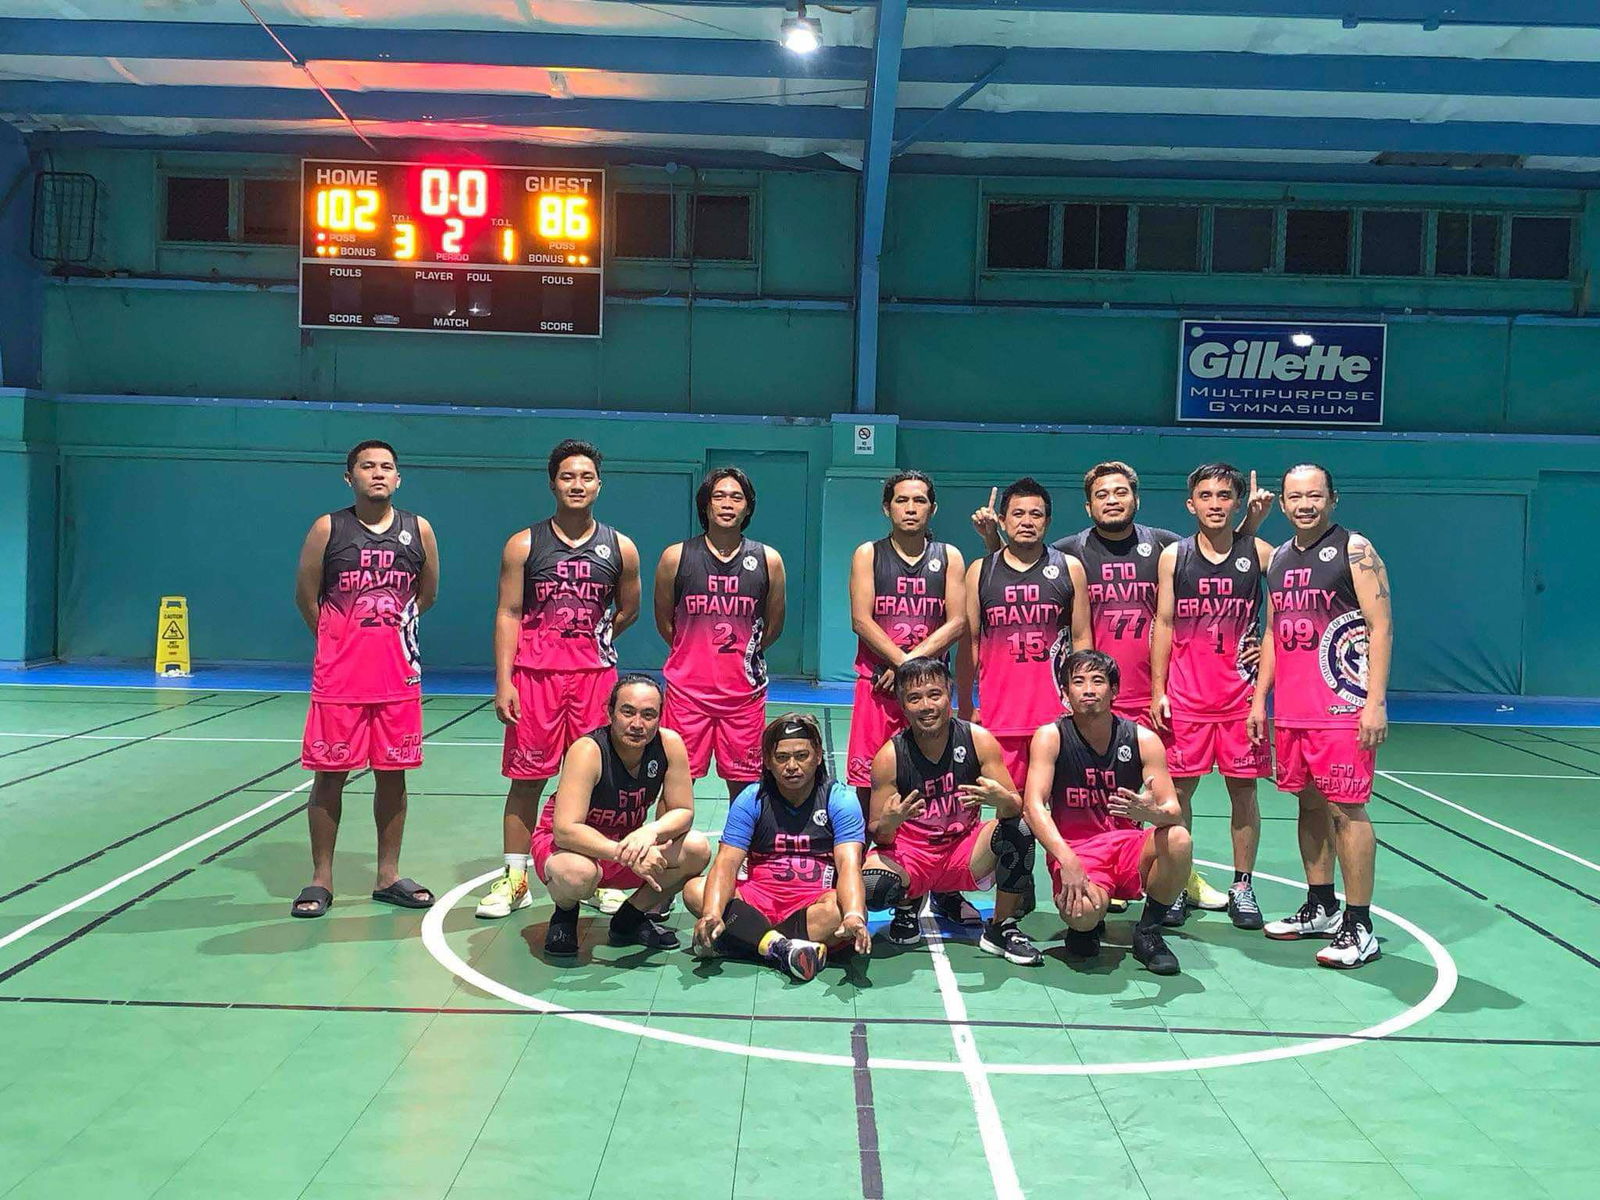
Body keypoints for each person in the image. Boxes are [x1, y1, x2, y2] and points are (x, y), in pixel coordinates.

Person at [976, 461, 1272, 912]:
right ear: (1088, 504)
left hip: (1157, 694)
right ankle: (1105, 874)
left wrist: (1251, 525)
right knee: (1096, 795)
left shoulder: (1167, 547)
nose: (1112, 500)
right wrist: (990, 539)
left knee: (1160, 798)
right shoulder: (1070, 552)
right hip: (1095, 699)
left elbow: (1231, 557)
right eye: (1102, 494)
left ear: (1136, 497)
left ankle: (1176, 879)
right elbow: (1019, 566)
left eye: (1121, 492)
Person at [478, 439, 642, 919]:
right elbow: (508, 612)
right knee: (527, 780)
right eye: (568, 476)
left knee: (597, 782)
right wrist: (504, 680)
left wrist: (599, 635)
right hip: (535, 678)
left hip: (594, 679)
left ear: (599, 484)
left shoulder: (621, 547)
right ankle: (515, 879)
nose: (577, 484)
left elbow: (628, 607)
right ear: (553, 483)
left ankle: (599, 876)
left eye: (586, 476)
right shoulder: (524, 544)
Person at [1249, 464, 1392, 968]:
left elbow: (1381, 627)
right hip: (1292, 708)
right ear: (1283, 504)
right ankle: (1322, 904)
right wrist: (1259, 699)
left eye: (1314, 495)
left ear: (1333, 498)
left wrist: (1374, 701)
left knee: (1345, 810)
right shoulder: (1280, 558)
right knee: (1309, 806)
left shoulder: (1355, 549)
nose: (1304, 504)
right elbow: (1272, 630)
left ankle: (1360, 925)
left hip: (1341, 707)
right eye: (1295, 496)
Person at [292, 440, 439, 918]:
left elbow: (427, 595)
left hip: (398, 676)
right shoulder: (328, 528)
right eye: (367, 466)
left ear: (399, 478)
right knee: (329, 776)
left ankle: (388, 876)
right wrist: (340, 639)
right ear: (349, 476)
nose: (378, 473)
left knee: (393, 776)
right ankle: (320, 879)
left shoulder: (418, 530)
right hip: (340, 679)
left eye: (387, 467)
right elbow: (306, 596)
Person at [1148, 463, 1274, 930]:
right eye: (1206, 495)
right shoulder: (1173, 557)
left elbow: (1281, 620)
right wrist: (1158, 689)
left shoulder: (1261, 552)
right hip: (1186, 697)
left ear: (1237, 503)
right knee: (1177, 796)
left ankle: (1243, 885)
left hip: (1241, 698)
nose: (1215, 503)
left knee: (1244, 792)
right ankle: (1177, 882)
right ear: (1191, 503)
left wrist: (1263, 685)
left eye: (1225, 495)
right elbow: (1162, 624)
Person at [863, 657, 1041, 965]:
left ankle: (1001, 927)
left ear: (950, 694)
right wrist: (890, 822)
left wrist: (1002, 799)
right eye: (914, 698)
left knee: (1019, 830)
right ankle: (908, 903)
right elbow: (880, 833)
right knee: (872, 885)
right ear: (903, 706)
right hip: (913, 854)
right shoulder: (890, 756)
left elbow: (1013, 807)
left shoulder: (977, 740)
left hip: (964, 850)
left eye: (934, 694)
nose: (926, 705)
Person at [1024, 650, 1191, 975]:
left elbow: (1173, 811)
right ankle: (1085, 927)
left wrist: (1152, 812)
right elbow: (1033, 806)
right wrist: (1067, 860)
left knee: (1179, 839)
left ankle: (1149, 932)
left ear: (1114, 690)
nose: (1088, 689)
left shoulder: (1142, 739)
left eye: (1098, 681)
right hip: (1078, 851)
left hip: (1129, 848)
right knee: (1084, 914)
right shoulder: (1050, 737)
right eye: (1079, 681)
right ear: (1065, 692)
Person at [533, 674, 711, 956]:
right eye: (628, 712)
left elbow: (683, 811)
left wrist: (650, 832)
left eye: (648, 715)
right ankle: (565, 914)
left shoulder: (669, 744)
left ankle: (630, 919)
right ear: (611, 713)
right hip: (570, 847)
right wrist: (625, 853)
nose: (637, 724)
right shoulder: (588, 750)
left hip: (624, 841)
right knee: (578, 874)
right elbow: (566, 829)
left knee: (697, 849)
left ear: (660, 718)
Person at [686, 714, 872, 982]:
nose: (792, 766)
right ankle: (783, 949)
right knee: (696, 891)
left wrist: (854, 915)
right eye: (782, 757)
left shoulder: (839, 800)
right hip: (758, 900)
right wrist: (713, 912)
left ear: (818, 755)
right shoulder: (752, 799)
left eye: (802, 755)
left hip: (812, 905)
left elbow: (849, 865)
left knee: (841, 912)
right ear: (768, 761)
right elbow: (726, 863)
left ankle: (746, 940)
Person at [656, 467, 786, 798]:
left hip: (743, 694)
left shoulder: (768, 560)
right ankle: (671, 850)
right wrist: (693, 653)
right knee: (678, 783)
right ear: (705, 505)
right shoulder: (676, 557)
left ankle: (742, 851)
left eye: (736, 497)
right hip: (688, 693)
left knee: (746, 790)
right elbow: (665, 622)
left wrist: (741, 657)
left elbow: (773, 626)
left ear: (748, 507)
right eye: (719, 496)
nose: (727, 503)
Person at [961, 478, 1091, 788]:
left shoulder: (1069, 567)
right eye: (1018, 514)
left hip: (1058, 715)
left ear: (1048, 522)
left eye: (1036, 514)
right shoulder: (979, 571)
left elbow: (1083, 638)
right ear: (1002, 521)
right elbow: (970, 643)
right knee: (1011, 815)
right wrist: (965, 703)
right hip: (1000, 714)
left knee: (1062, 811)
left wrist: (1083, 701)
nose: (1027, 521)